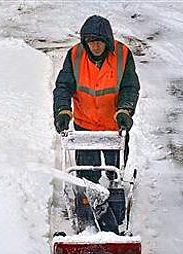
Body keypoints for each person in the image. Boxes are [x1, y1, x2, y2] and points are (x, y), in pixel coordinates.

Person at [53, 14, 140, 184]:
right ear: (85, 41)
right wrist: (62, 111)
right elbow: (63, 87)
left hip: (114, 125)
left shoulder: (122, 55)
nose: (96, 46)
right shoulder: (75, 55)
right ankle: (89, 195)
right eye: (91, 41)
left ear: (108, 40)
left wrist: (125, 110)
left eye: (100, 41)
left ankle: (114, 184)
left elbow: (130, 87)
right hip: (85, 123)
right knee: (87, 173)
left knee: (115, 168)